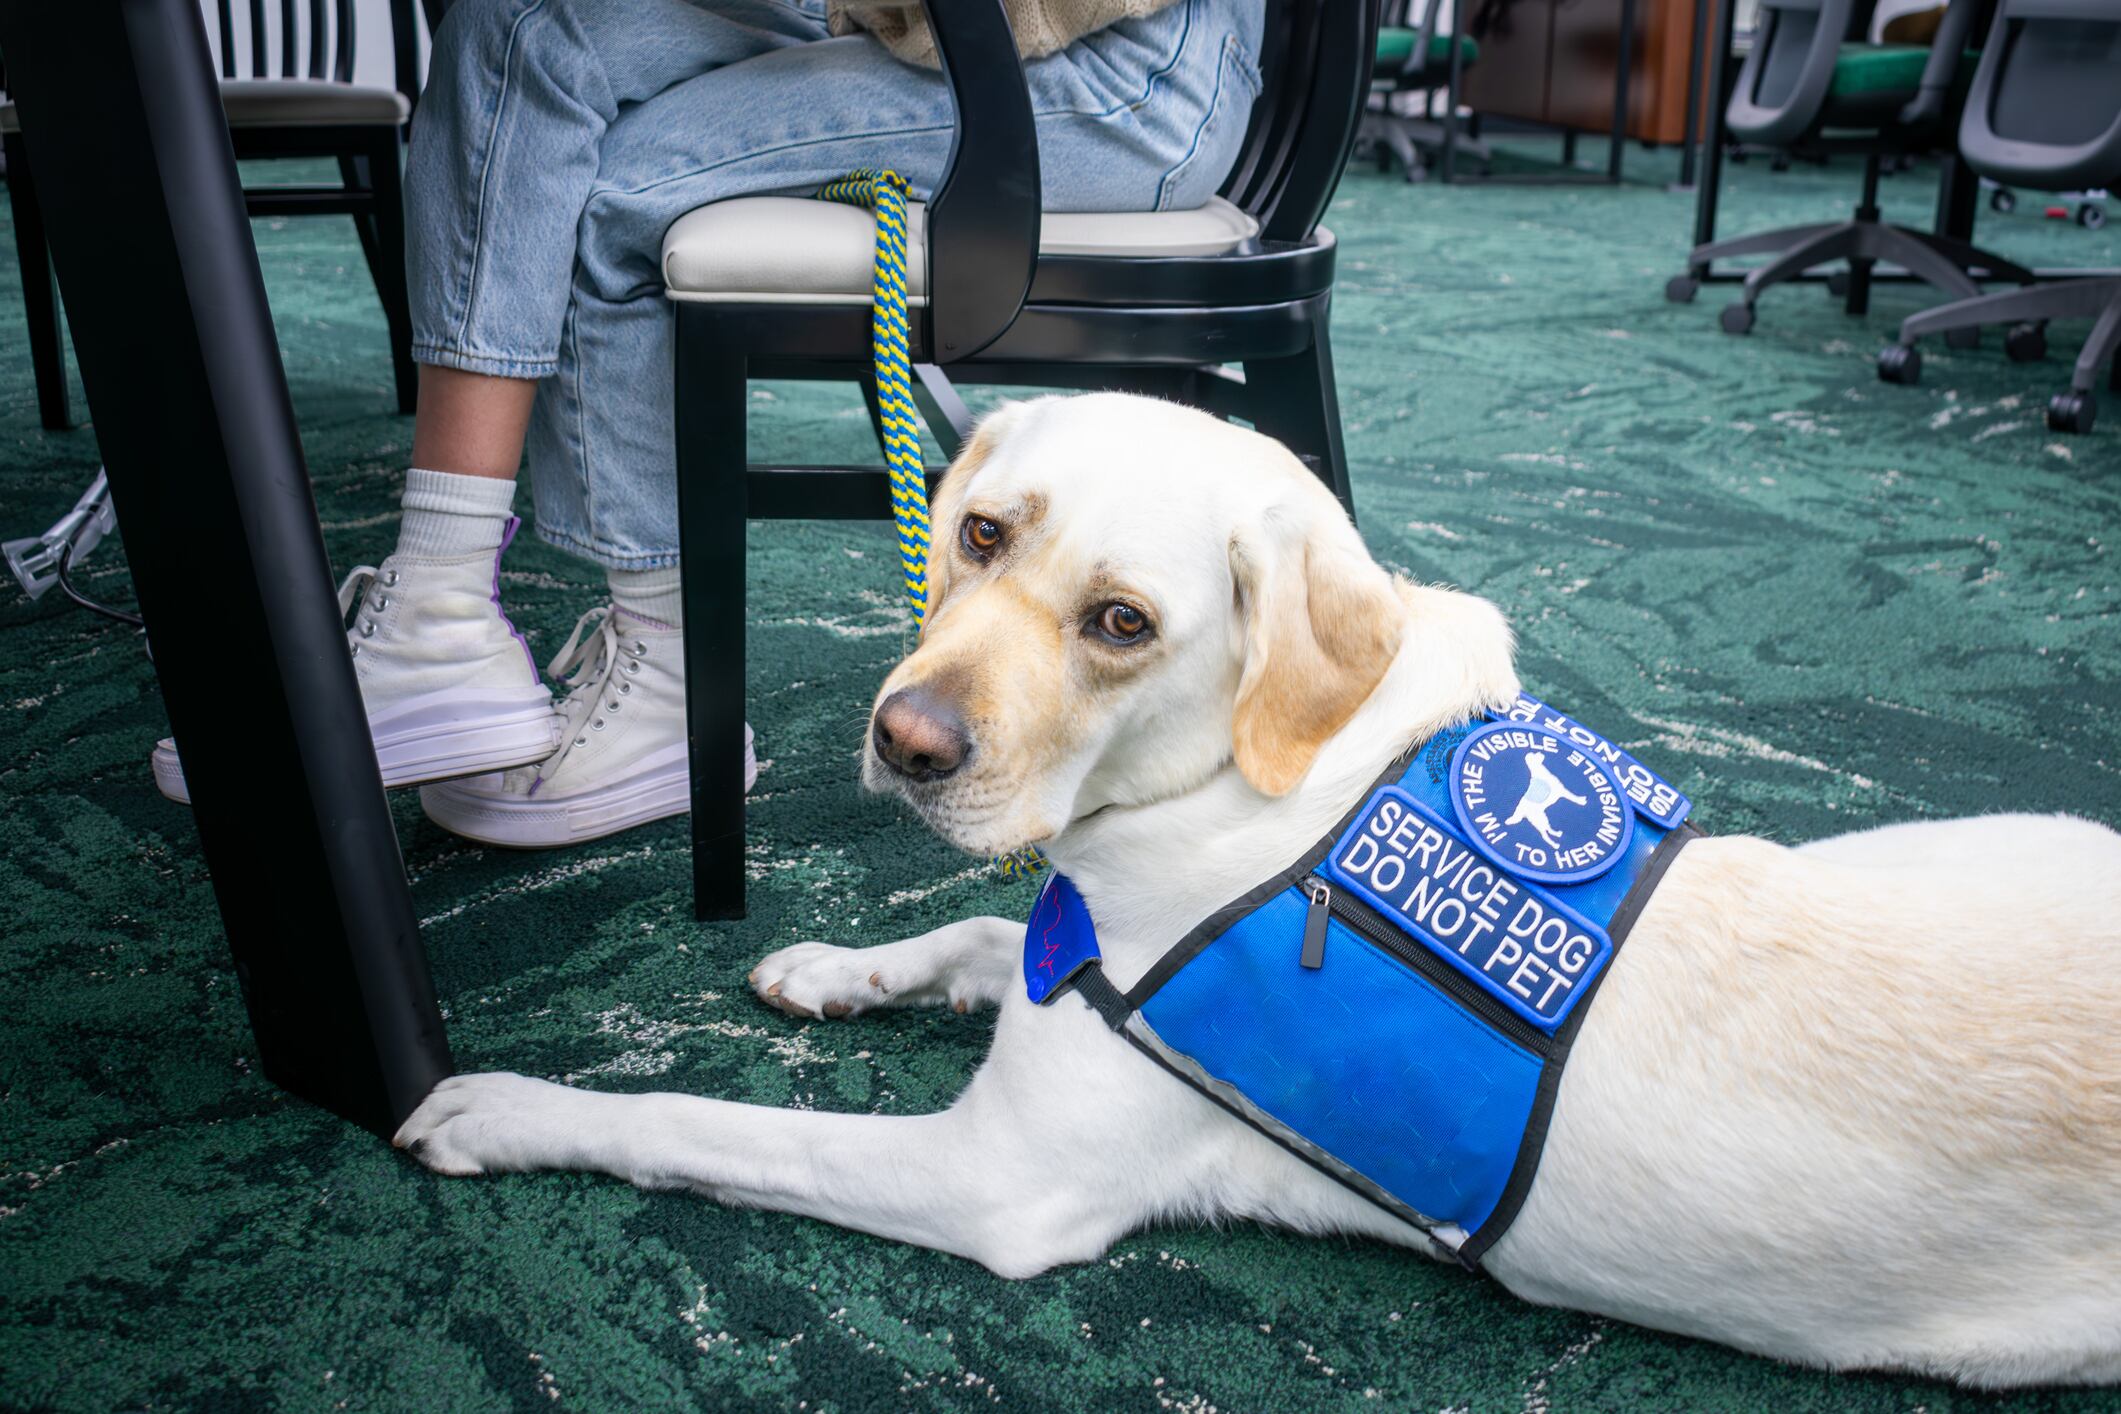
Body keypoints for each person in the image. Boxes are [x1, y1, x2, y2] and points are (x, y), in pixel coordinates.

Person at [152, 0, 1267, 847]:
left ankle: (665, 678)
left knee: (609, 186)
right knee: (528, 27)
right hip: (953, 21)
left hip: (1112, 66)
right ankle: (439, 608)